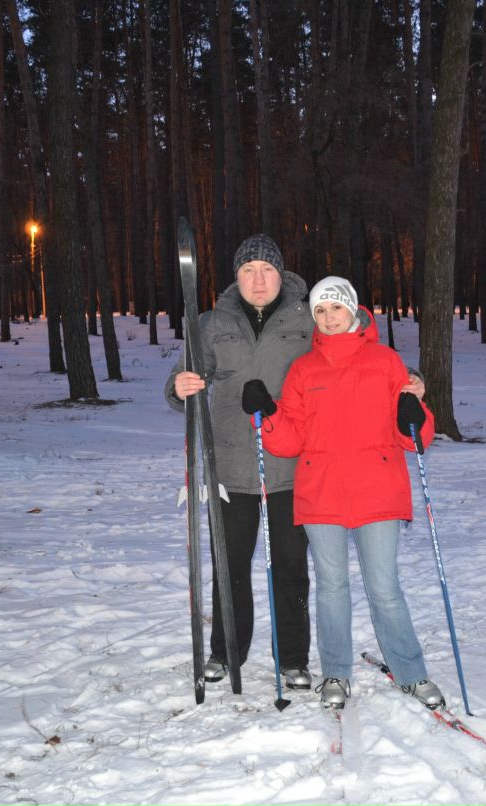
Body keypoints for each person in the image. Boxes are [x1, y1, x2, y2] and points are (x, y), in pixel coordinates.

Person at [241, 276, 445, 711]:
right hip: (322, 493)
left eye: (336, 308)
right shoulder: (304, 369)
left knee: (384, 587)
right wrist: (267, 413)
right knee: (331, 587)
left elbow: (415, 437)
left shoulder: (386, 362)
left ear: (353, 311)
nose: (329, 318)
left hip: (377, 489)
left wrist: (414, 412)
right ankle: (336, 671)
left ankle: (411, 671)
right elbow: (290, 439)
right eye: (320, 311)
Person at [165, 234, 314, 691]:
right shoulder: (211, 322)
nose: (258, 279)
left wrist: (409, 382)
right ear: (236, 277)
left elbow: (354, 354)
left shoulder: (307, 319)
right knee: (229, 565)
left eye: (266, 270)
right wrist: (180, 388)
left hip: (291, 463)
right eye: (248, 270)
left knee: (291, 566)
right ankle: (225, 651)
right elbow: (181, 381)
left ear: (281, 274)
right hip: (229, 466)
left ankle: (292, 660)